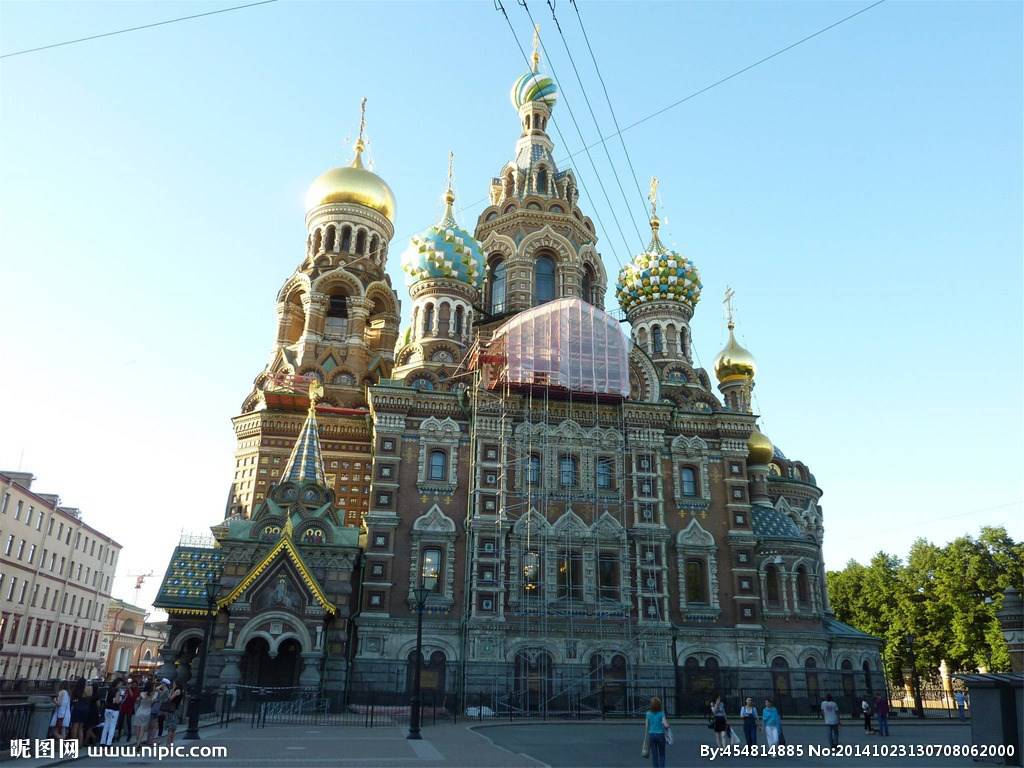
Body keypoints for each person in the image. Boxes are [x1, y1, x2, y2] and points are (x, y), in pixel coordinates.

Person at [644, 696, 669, 768]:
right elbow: (665, 724)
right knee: (662, 754)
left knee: (654, 756)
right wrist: (667, 726)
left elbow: (646, 726)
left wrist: (646, 736)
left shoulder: (648, 714)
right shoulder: (661, 713)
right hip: (660, 735)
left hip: (651, 735)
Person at [101, 678, 125, 746]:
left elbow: (107, 699)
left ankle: (102, 742)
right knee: (112, 727)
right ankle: (108, 743)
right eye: (121, 684)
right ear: (118, 683)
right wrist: (121, 699)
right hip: (114, 710)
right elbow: (116, 701)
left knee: (106, 726)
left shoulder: (109, 689)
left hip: (107, 709)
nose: (121, 685)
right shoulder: (118, 691)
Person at [162, 683, 184, 747]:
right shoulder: (181, 691)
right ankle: (171, 743)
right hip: (176, 709)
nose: (173, 685)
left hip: (172, 710)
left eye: (174, 684)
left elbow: (170, 698)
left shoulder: (177, 691)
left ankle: (168, 744)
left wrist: (172, 691)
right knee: (173, 728)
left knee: (170, 728)